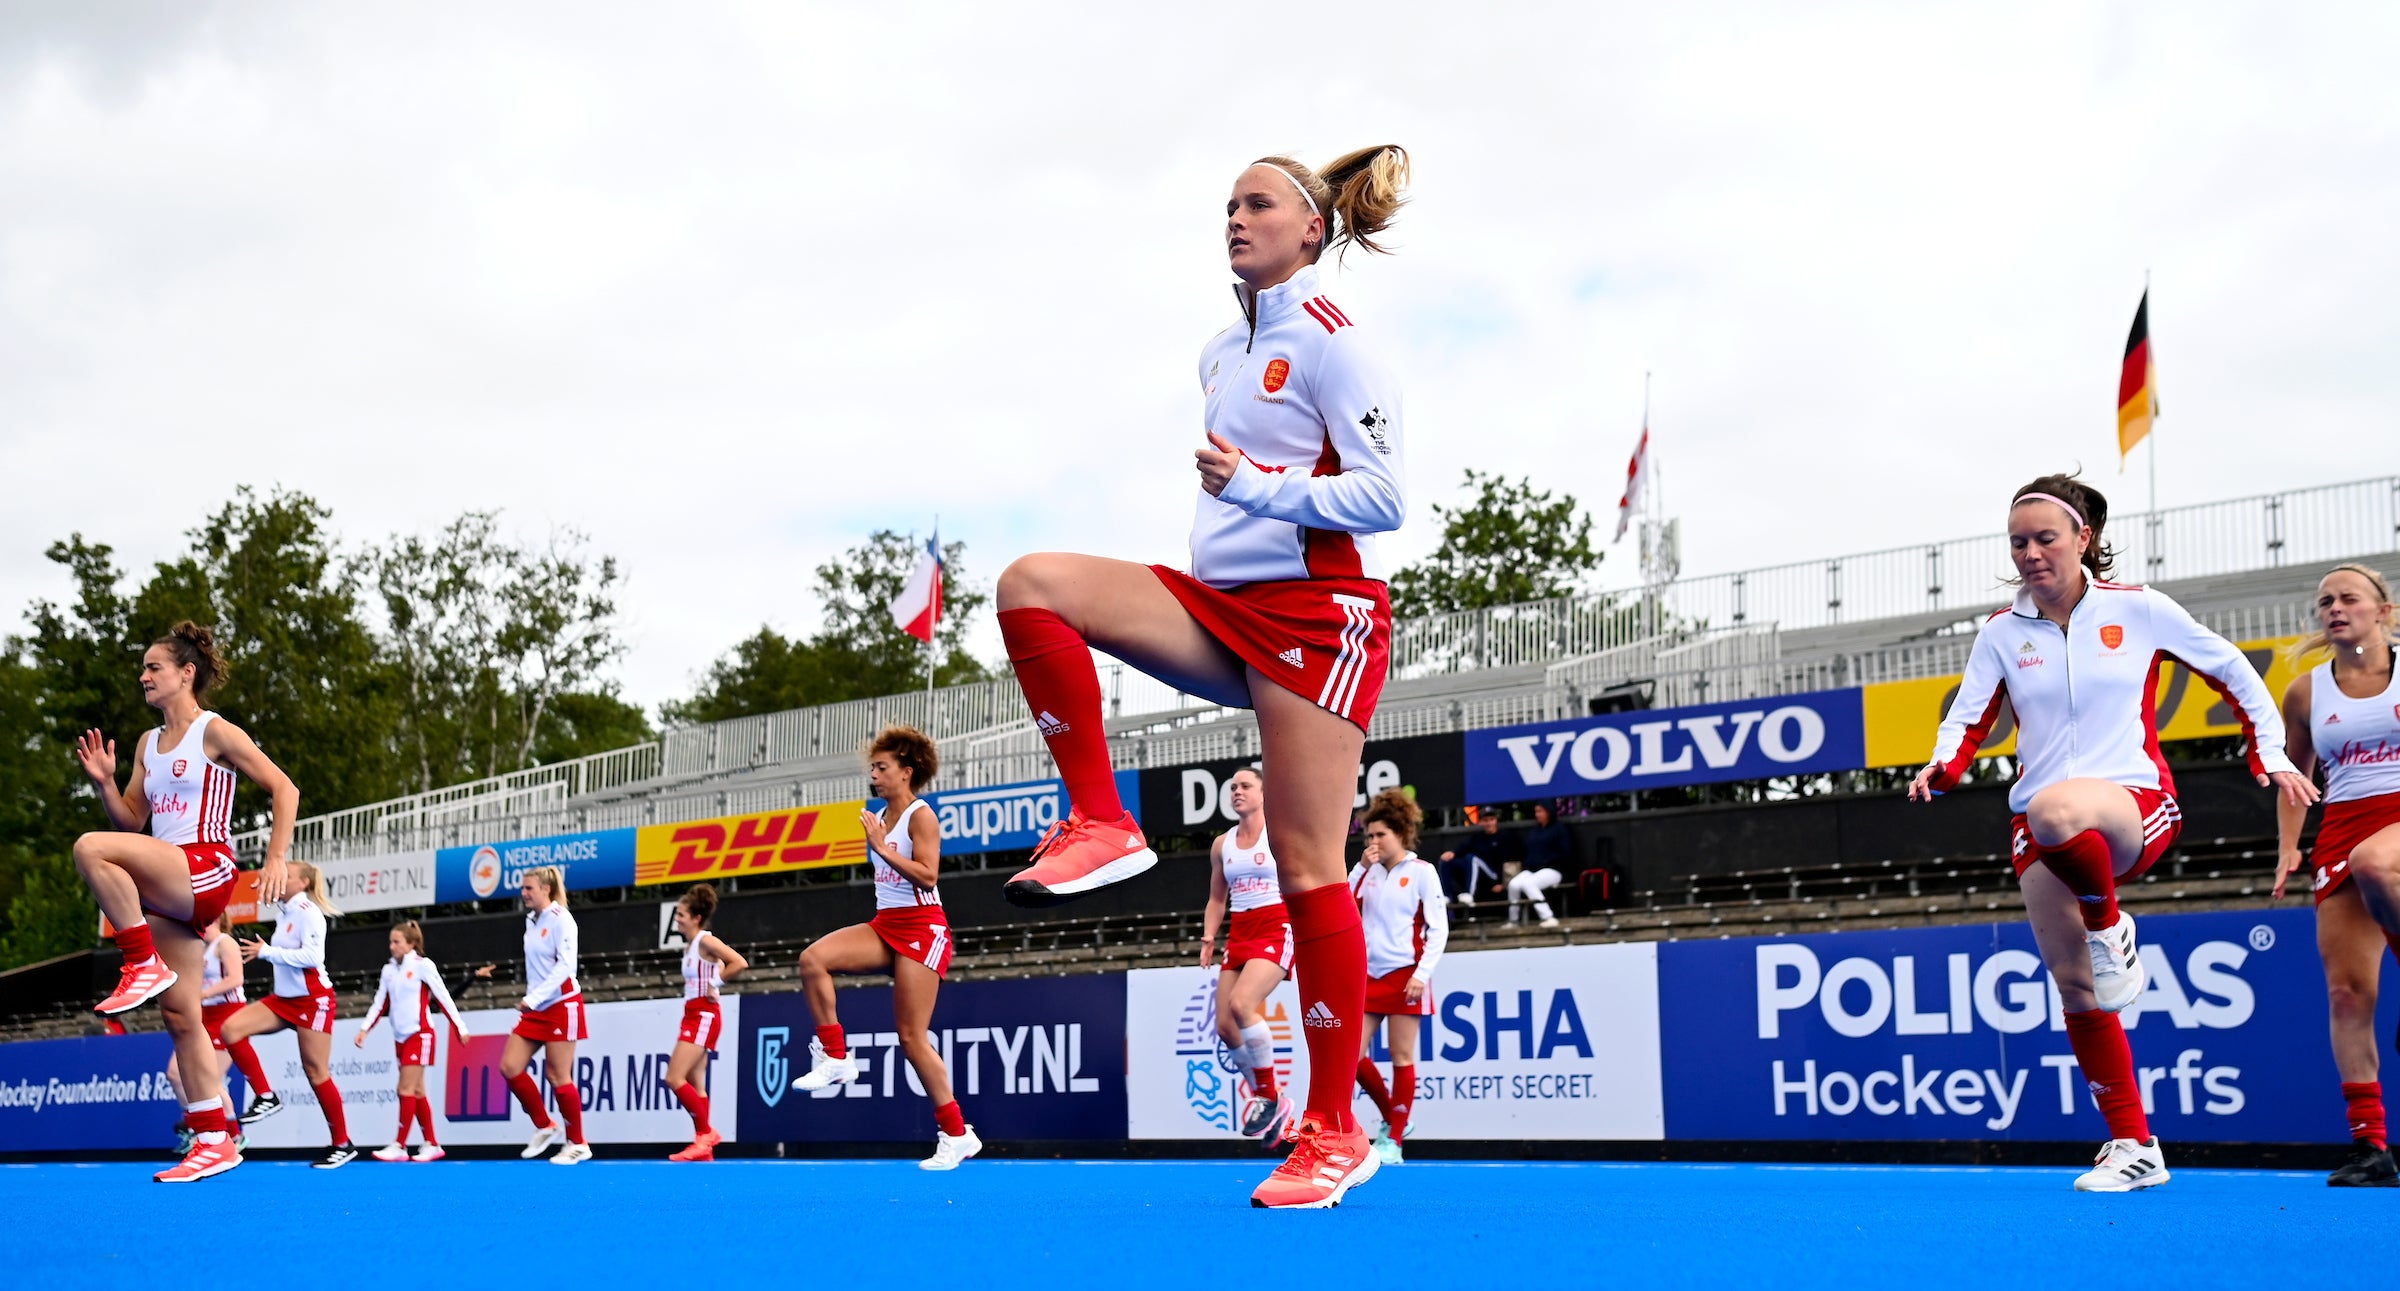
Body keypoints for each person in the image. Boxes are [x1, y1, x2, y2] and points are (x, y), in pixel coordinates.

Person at [993, 145, 1410, 1208]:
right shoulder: (1221, 350)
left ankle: (1331, 1132)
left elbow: (1383, 499)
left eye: (1258, 202)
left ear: (1311, 228)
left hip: (1319, 618)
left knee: (1315, 867)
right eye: (1228, 203)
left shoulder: (1337, 341)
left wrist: (1262, 487)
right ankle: (1102, 818)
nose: (1237, 216)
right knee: (1032, 584)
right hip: (1225, 607)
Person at [1911, 473, 2313, 1192]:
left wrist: (2271, 752)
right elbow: (1966, 717)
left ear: (2083, 539)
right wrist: (1942, 767)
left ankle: (2110, 921)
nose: (2031, 553)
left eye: (2045, 538)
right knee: (2075, 989)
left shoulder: (2141, 609)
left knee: (2058, 811)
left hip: (2133, 803)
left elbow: (2233, 669)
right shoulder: (2001, 634)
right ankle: (2134, 1145)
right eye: (2018, 541)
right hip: (2041, 824)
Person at [70, 620, 295, 1182]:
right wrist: (104, 782)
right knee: (180, 1014)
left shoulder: (215, 732)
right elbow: (131, 821)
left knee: (90, 849)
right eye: (144, 668)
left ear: (185, 673)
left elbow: (284, 788)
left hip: (208, 866)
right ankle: (214, 1138)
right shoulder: (148, 743)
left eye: (154, 667)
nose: (143, 676)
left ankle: (139, 960)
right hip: (172, 884)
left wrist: (274, 859)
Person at [790, 726, 981, 1170]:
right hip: (887, 923)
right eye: (873, 767)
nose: (873, 774)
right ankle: (836, 1057)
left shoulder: (921, 816)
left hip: (923, 928)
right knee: (813, 959)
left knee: (912, 1039)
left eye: (882, 767)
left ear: (906, 772)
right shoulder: (880, 817)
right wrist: (877, 841)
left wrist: (880, 847)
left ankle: (957, 1135)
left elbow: (929, 876)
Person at [2272, 563, 2400, 1187]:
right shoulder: (2305, 692)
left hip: (2396, 819)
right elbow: (2295, 778)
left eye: (2349, 598)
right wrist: (2289, 847)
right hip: (2341, 829)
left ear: (2385, 611)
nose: (2335, 608)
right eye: (2325, 601)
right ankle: (2371, 1147)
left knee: (2377, 860)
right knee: (2348, 994)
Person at [221, 859, 357, 1168]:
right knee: (231, 1030)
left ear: (303, 883)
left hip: (313, 1000)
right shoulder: (285, 913)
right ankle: (266, 1096)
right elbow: (262, 888)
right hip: (284, 1000)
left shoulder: (309, 914)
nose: (282, 879)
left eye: (288, 875)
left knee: (316, 1072)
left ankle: (342, 1144)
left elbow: (313, 957)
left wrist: (266, 951)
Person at [1350, 788, 1447, 1166]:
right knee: (1352, 1057)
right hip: (1369, 975)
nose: (1374, 842)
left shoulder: (1423, 872)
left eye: (1380, 835)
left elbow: (1438, 929)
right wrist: (1360, 866)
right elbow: (1341, 900)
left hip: (1408, 974)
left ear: (1400, 834)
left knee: (1402, 1056)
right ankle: (1396, 1118)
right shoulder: (1366, 872)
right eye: (1369, 835)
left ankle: (1394, 1143)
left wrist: (1423, 974)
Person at [1198, 767, 1294, 1142]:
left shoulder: (1280, 833)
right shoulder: (1222, 844)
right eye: (1233, 787)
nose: (1237, 791)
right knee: (1224, 1025)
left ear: (1264, 793)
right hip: (1240, 931)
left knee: (1242, 1005)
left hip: (1276, 924)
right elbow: (1217, 898)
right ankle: (1270, 1101)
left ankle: (1268, 1097)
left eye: (1246, 786)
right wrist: (1209, 937)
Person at [474, 866, 591, 1164]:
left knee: (557, 1075)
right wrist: (534, 999)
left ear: (545, 890)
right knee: (510, 1067)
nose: (524, 893)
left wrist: (534, 998)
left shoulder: (562, 920)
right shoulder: (531, 920)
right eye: (523, 888)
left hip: (563, 1004)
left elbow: (566, 967)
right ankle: (544, 1124)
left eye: (529, 888)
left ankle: (578, 1143)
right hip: (537, 1007)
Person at [356, 920, 470, 1162]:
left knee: (404, 1089)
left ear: (411, 944)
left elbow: (443, 996)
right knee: (417, 1091)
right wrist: (365, 1029)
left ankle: (400, 1144)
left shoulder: (423, 966)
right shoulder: (388, 971)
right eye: (391, 942)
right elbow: (380, 1002)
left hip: (421, 1033)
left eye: (397, 942)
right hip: (400, 1036)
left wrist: (459, 1026)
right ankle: (432, 1143)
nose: (392, 946)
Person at [666, 882, 749, 1162]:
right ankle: (705, 1150)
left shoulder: (705, 940)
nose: (676, 919)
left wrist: (715, 983)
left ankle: (705, 1134)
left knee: (674, 1077)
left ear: (696, 918)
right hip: (693, 1011)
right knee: (694, 1081)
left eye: (681, 915)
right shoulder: (692, 945)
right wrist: (715, 978)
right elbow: (719, 966)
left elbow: (739, 962)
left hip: (704, 1013)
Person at [164, 911, 245, 1152]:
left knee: (210, 1079)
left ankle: (233, 1134)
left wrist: (203, 994)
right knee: (175, 1073)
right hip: (203, 1016)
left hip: (227, 1014)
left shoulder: (225, 942)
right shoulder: (199, 948)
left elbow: (236, 979)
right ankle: (194, 1127)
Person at [1507, 802, 1574, 928]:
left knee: (1529, 884)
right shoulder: (1535, 831)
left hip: (1554, 870)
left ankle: (1548, 917)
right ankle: (1513, 920)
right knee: (1513, 885)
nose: (1537, 815)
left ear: (1548, 812)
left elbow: (1565, 851)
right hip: (1533, 870)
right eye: (1536, 812)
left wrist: (1546, 860)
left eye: (1540, 811)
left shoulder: (1559, 829)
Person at [1439, 812, 1517, 906]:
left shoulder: (1504, 837)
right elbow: (1464, 848)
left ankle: (1469, 894)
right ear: (1481, 822)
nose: (1489, 823)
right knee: (1447, 861)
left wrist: (1502, 883)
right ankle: (1446, 896)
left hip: (1494, 876)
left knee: (1472, 858)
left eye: (1491, 820)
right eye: (1485, 820)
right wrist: (1453, 853)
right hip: (1479, 875)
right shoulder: (1478, 837)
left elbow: (1509, 862)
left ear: (1496, 821)